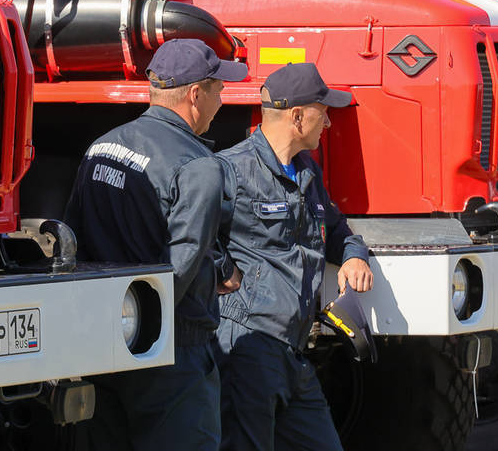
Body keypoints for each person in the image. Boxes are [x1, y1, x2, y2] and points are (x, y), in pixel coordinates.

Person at [65, 38, 247, 451]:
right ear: (195, 95)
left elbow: (72, 239)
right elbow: (182, 263)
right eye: (219, 91)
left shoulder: (101, 147)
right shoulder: (198, 166)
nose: (221, 103)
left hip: (103, 340)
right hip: (170, 351)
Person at [214, 62, 374, 451]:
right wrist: (222, 269)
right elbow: (188, 233)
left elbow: (336, 227)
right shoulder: (230, 169)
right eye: (324, 113)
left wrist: (354, 255)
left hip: (294, 350)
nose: (329, 123)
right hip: (248, 348)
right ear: (297, 116)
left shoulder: (307, 172)